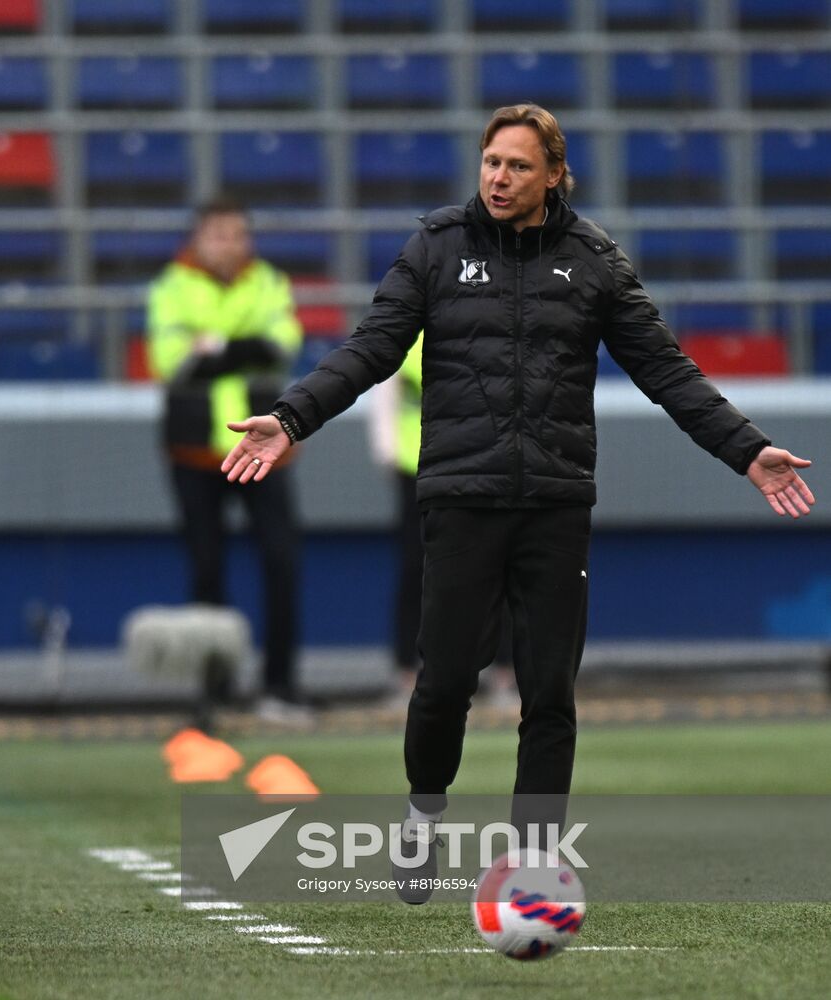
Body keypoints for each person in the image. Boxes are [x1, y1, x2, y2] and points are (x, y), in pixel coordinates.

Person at [221, 104, 814, 896]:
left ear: (554, 177)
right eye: (490, 162)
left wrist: (746, 450)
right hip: (460, 498)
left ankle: (531, 863)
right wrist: (293, 415)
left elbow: (666, 371)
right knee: (442, 687)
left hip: (555, 502)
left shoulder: (594, 260)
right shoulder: (434, 247)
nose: (499, 179)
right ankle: (422, 814)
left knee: (547, 693)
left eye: (518, 167)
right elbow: (370, 348)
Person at [147, 197, 309, 726]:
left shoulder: (268, 282)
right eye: (216, 234)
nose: (227, 244)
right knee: (206, 569)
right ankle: (212, 693)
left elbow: (282, 344)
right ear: (198, 239)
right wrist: (242, 347)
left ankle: (280, 687)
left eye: (236, 234)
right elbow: (170, 361)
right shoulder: (171, 285)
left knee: (282, 564)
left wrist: (215, 348)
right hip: (196, 451)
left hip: (266, 452)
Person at [368, 334, 516, 712]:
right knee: (416, 567)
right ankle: (406, 674)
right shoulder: (409, 322)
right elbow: (386, 385)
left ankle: (503, 676)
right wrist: (385, 448)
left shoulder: (482, 316)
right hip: (415, 462)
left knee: (493, 564)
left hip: (479, 459)